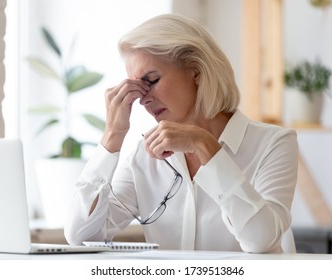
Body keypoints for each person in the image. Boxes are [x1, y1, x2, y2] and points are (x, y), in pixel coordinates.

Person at [64, 14, 298, 253]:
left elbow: (261, 241)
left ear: (195, 71)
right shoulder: (144, 155)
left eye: (151, 80)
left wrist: (207, 148)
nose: (143, 99)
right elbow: (80, 235)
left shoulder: (273, 144)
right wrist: (112, 135)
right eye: (137, 88)